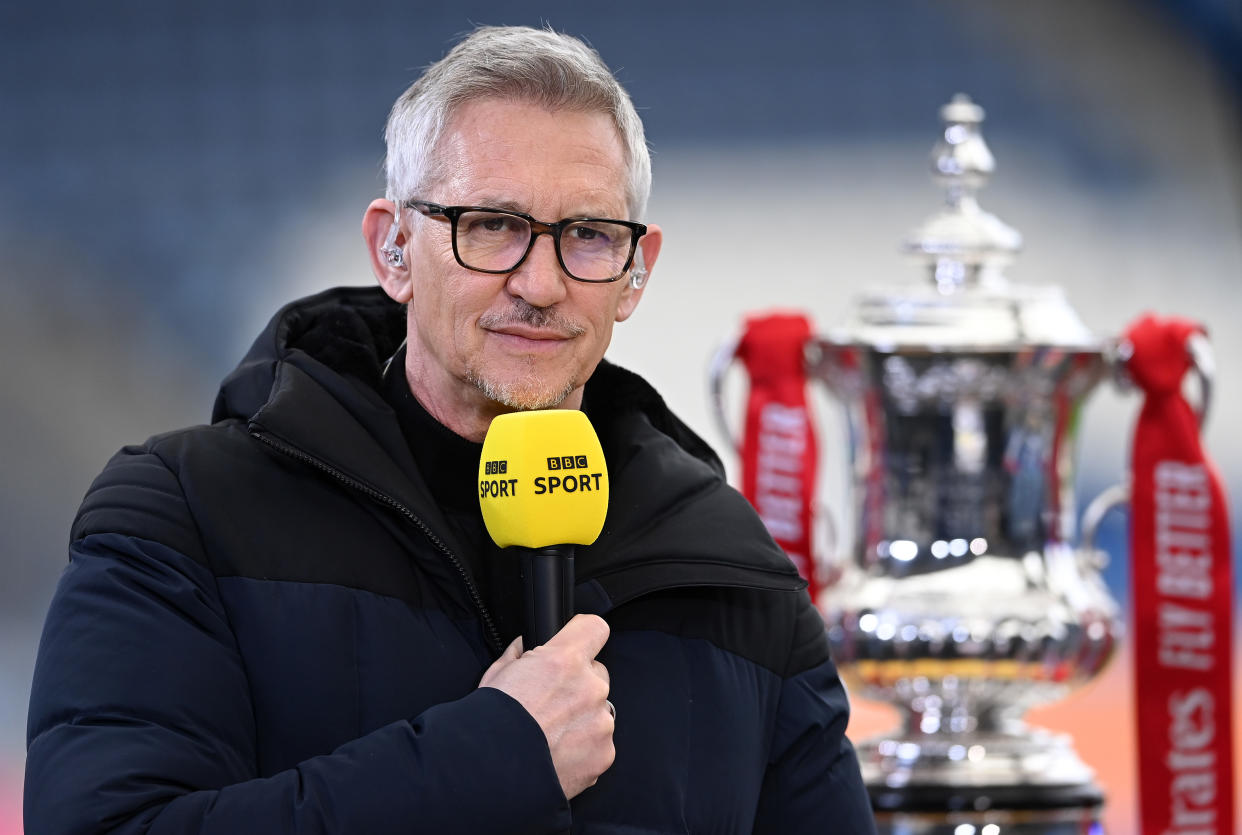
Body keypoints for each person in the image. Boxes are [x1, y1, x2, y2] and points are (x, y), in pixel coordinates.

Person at [25, 25, 875, 834]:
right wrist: (490, 757)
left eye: (585, 236)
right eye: (493, 226)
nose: (539, 283)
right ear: (394, 248)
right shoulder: (183, 514)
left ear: (634, 273)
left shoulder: (734, 569)